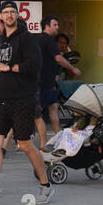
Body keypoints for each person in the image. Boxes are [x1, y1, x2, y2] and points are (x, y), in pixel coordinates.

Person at [0, 0, 52, 205]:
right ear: (0, 16)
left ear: (17, 15)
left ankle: (45, 185)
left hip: (23, 98)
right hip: (0, 99)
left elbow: (35, 65)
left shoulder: (27, 39)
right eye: (5, 12)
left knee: (24, 145)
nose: (9, 15)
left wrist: (11, 68)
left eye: (12, 12)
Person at [35, 15, 80, 148]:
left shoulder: (36, 39)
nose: (57, 27)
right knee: (36, 113)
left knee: (53, 107)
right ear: (47, 26)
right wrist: (73, 68)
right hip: (42, 81)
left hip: (46, 80)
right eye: (55, 25)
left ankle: (59, 137)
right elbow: (58, 58)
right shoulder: (48, 40)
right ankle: (43, 143)